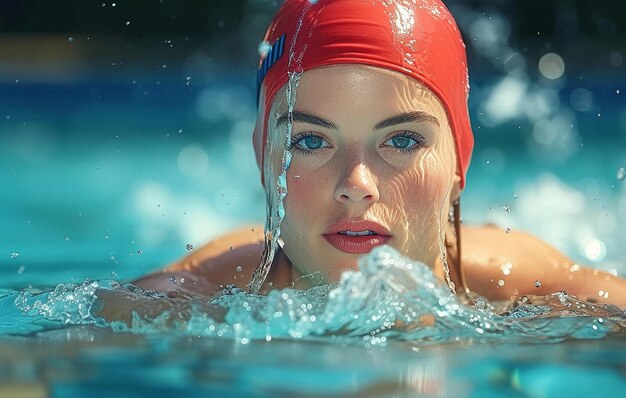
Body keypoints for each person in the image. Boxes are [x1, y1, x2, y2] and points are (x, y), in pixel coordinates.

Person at [134, 0, 626, 307]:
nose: (357, 183)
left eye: (402, 140)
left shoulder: (522, 289)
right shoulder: (212, 292)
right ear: (264, 156)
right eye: (310, 140)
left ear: (460, 162)